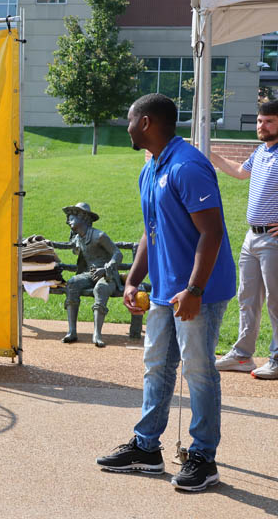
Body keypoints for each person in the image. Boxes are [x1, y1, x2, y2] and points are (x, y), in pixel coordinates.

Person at [97, 93, 236, 492]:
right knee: (156, 366)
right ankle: (146, 448)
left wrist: (194, 290)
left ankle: (203, 458)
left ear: (145, 123)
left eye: (129, 120)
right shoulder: (151, 167)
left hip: (199, 291)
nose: (125, 126)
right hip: (163, 289)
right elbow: (149, 230)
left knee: (198, 371)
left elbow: (212, 232)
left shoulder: (188, 165)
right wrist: (133, 278)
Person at [208, 99, 278, 379]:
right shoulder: (261, 152)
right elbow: (240, 172)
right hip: (252, 238)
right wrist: (209, 154)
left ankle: (276, 357)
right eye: (260, 121)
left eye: (269, 121)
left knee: (276, 301)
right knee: (247, 298)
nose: (262, 126)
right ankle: (242, 355)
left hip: (274, 241)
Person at [60, 202, 122, 347]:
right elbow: (77, 250)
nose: (68, 221)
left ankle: (97, 334)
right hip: (90, 274)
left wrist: (106, 268)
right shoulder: (79, 238)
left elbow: (117, 254)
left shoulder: (99, 236)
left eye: (71, 218)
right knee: (72, 284)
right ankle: (72, 331)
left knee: (100, 289)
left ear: (83, 217)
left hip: (107, 275)